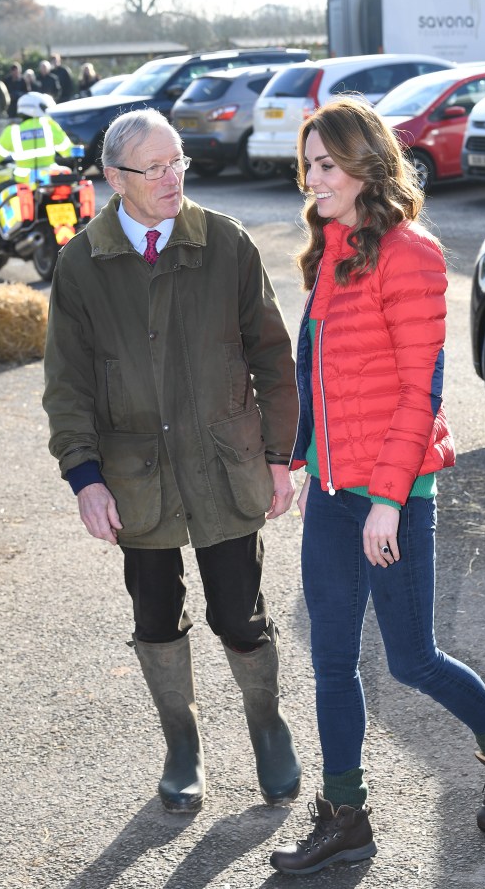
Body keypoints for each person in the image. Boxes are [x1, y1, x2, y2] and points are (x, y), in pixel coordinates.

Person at [269, 96, 485, 876]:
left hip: (395, 490)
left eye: (326, 164)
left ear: (365, 163)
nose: (312, 177)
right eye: (308, 165)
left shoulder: (412, 252)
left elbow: (416, 396)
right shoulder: (329, 249)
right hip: (331, 488)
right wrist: (293, 462)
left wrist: (386, 500)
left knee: (411, 659)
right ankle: (345, 813)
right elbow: (316, 372)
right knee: (330, 660)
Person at [42, 108, 302, 815]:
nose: (172, 176)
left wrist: (280, 457)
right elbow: (65, 385)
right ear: (115, 178)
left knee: (239, 615)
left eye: (178, 160)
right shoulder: (81, 263)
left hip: (225, 465)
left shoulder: (226, 243)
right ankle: (182, 746)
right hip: (137, 478)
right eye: (154, 167)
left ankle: (268, 728)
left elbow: (274, 360)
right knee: (155, 616)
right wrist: (85, 478)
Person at [0, 92, 73, 232]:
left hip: (24, 180)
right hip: (51, 179)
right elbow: (68, 151)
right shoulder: (50, 126)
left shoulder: (12, 131)